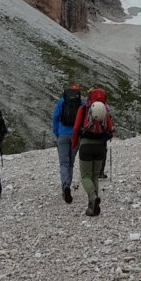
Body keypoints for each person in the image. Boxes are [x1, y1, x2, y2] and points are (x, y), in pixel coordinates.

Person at [72, 86, 114, 216]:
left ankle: (93, 198)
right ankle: (93, 207)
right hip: (100, 146)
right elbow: (110, 128)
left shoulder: (84, 108)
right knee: (95, 176)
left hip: (86, 145)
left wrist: (74, 144)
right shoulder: (105, 110)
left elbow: (76, 127)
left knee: (85, 176)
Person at [51, 83, 82, 203]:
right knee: (71, 162)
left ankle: (65, 186)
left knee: (63, 163)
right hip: (76, 135)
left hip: (62, 134)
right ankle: (68, 184)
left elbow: (55, 118)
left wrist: (56, 132)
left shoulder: (61, 101)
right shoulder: (81, 103)